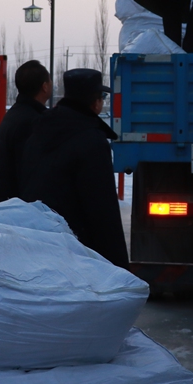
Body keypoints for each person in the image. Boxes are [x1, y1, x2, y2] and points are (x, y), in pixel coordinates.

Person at [19, 69, 128, 268]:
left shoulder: (39, 129)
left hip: (36, 240)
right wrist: (118, 265)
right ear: (95, 102)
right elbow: (102, 209)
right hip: (77, 250)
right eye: (102, 97)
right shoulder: (91, 140)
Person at [0, 60, 51, 205]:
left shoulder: (17, 114)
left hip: (6, 205)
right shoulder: (32, 121)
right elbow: (32, 175)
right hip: (18, 211)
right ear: (44, 86)